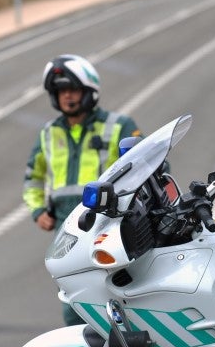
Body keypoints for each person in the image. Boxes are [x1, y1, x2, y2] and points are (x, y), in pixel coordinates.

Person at [23, 54, 142, 326]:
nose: (67, 97)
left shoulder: (119, 125)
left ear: (89, 91)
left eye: (73, 89)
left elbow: (148, 165)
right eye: (61, 91)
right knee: (74, 302)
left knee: (117, 296)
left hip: (108, 222)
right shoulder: (48, 133)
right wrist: (38, 209)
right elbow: (32, 176)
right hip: (66, 227)